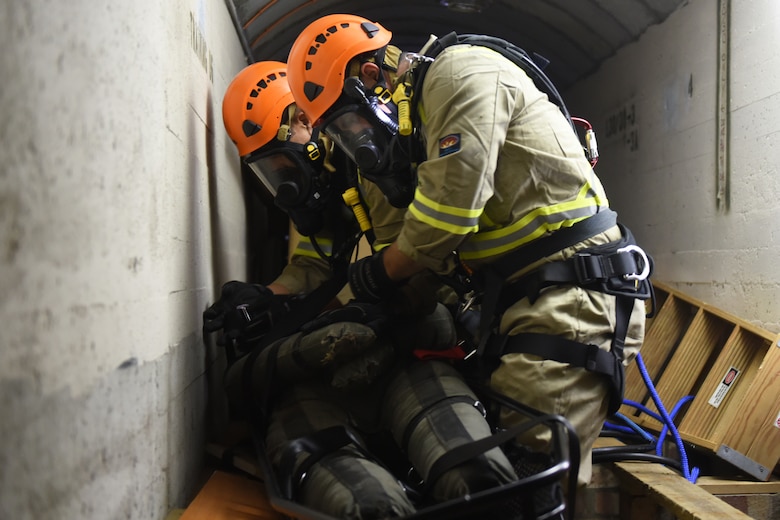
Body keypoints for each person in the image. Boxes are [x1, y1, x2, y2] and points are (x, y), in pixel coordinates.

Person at [285, 13, 653, 487]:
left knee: (525, 485)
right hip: (531, 301)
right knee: (489, 470)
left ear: (371, 77)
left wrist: (377, 276)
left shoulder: (459, 76)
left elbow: (446, 215)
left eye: (350, 126)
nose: (358, 142)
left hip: (572, 304)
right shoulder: (421, 115)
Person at [205, 60, 518, 520]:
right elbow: (314, 265)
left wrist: (334, 321)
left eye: (282, 161)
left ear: (306, 121)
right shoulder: (327, 184)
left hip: (404, 351)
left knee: (476, 482)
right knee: (361, 502)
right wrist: (266, 297)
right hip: (326, 374)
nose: (285, 182)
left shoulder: (374, 167)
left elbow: (409, 268)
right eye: (269, 170)